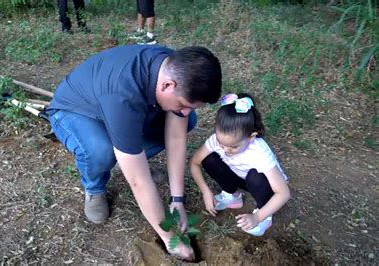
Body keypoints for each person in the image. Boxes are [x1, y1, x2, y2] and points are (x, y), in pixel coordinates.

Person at [47, 45, 222, 260]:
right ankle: (94, 188)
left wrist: (177, 200)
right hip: (76, 111)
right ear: (168, 85)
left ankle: (129, 155)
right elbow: (139, 183)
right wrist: (170, 239)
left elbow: (176, 137)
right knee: (101, 152)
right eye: (185, 104)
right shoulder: (123, 96)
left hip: (115, 107)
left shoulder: (177, 67)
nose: (186, 111)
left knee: (185, 123)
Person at [190, 93, 290, 236]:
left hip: (266, 185)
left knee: (255, 177)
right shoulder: (220, 140)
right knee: (209, 159)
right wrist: (206, 191)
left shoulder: (259, 152)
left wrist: (257, 217)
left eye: (233, 147)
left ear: (251, 137)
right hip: (240, 175)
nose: (225, 150)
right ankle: (232, 196)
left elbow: (283, 192)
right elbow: (194, 162)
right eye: (221, 143)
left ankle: (265, 216)